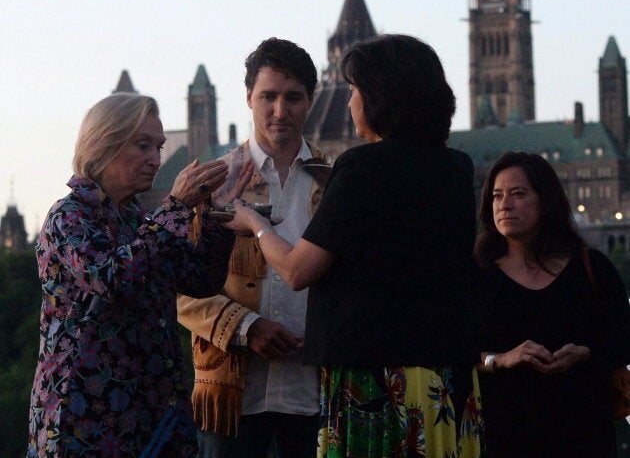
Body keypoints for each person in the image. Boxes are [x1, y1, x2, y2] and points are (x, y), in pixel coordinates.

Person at [223, 34, 483, 457]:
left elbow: (296, 271)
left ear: (382, 98)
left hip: (379, 384)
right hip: (445, 381)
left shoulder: (362, 168)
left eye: (355, 91)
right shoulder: (456, 167)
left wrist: (253, 222)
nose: (348, 103)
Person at [26, 92, 247, 458]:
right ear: (104, 143)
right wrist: (175, 208)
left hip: (153, 415)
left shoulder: (138, 219)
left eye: (159, 147)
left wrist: (214, 218)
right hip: (87, 419)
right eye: (143, 146)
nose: (156, 160)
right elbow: (112, 278)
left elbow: (200, 279)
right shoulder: (68, 216)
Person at [177, 37, 328, 458]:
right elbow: (179, 289)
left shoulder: (335, 182)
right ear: (248, 98)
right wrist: (248, 328)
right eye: (268, 97)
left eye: (293, 97)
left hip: (315, 391)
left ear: (311, 100)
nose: (281, 111)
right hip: (231, 395)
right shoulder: (211, 181)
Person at [472, 151, 630, 457]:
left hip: (584, 435)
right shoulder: (476, 275)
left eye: (518, 194)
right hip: (502, 436)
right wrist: (502, 359)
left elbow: (622, 337)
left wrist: (586, 352)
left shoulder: (591, 267)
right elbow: (452, 350)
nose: (504, 205)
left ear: (546, 201)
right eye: (496, 195)